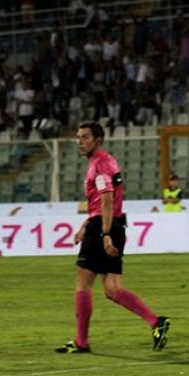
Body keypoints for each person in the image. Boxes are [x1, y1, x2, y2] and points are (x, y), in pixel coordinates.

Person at [56, 121, 171, 354]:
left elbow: (107, 199)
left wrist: (103, 233)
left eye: (85, 137)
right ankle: (155, 322)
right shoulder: (107, 161)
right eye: (78, 137)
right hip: (114, 224)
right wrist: (87, 224)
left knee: (83, 284)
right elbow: (106, 203)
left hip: (105, 227)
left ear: (98, 140)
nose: (80, 141)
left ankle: (82, 341)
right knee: (112, 288)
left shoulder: (99, 165)